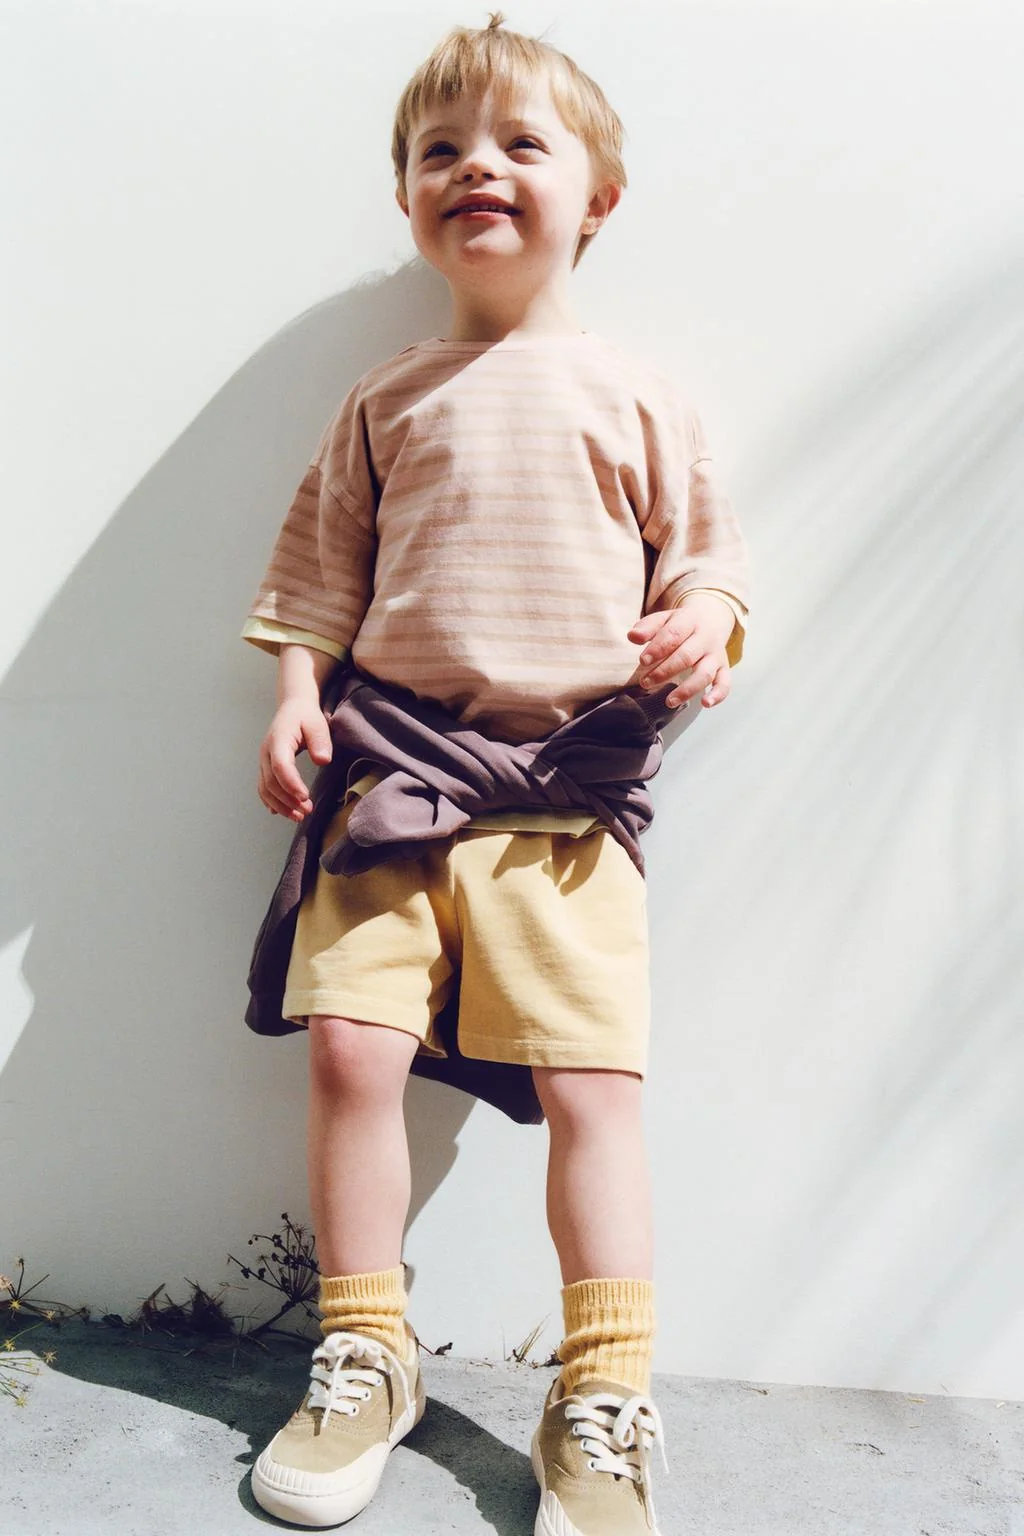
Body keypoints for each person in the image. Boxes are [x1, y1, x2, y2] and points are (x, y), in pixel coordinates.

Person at [240, 13, 751, 1533]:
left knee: (593, 1087)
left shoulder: (640, 396)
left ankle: (603, 1392)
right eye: (440, 150)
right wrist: (292, 693)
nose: (478, 168)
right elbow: (318, 577)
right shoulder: (386, 396)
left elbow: (710, 559)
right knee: (350, 1055)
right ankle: (366, 1351)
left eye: (523, 144)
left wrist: (709, 620)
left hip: (566, 805)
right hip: (391, 775)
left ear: (599, 198)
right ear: (408, 198)